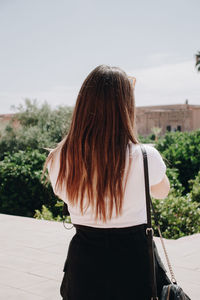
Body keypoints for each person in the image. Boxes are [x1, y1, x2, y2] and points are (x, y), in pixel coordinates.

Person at [44, 65, 170, 300]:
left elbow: (64, 194)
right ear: (126, 107)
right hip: (135, 267)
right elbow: (163, 192)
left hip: (84, 267)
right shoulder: (145, 156)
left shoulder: (58, 158)